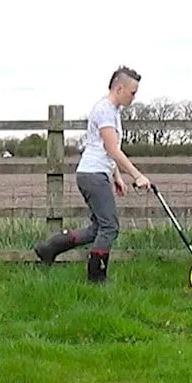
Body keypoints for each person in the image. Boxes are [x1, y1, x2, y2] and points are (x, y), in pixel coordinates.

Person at [33, 65, 152, 282]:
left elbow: (104, 148)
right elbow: (113, 149)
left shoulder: (112, 111)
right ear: (119, 88)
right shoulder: (105, 110)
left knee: (98, 228)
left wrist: (116, 176)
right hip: (93, 174)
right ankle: (96, 277)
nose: (134, 97)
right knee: (110, 227)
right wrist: (137, 175)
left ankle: (49, 248)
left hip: (95, 173)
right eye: (132, 92)